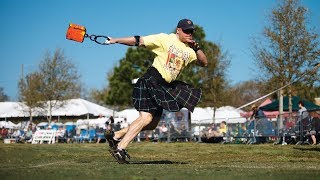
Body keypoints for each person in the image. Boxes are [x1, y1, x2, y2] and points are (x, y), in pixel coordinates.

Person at [104, 19, 208, 163]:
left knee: (151, 124)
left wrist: (197, 48)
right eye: (186, 31)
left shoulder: (189, 51)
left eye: (191, 31)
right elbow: (138, 40)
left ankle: (115, 136)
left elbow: (204, 63)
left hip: (163, 86)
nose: (189, 33)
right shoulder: (165, 39)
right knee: (146, 118)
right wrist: (116, 40)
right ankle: (120, 148)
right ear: (178, 30)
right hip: (150, 80)